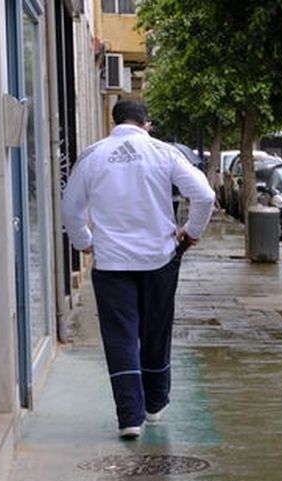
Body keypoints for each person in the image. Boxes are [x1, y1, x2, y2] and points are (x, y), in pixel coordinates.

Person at [61, 99, 215, 439]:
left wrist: (84, 241)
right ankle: (155, 403)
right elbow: (204, 195)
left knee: (121, 337)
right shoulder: (163, 152)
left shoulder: (93, 156)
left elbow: (70, 207)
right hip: (159, 258)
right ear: (145, 123)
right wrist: (191, 233)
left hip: (111, 261)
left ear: (113, 122)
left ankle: (130, 417)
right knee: (155, 331)